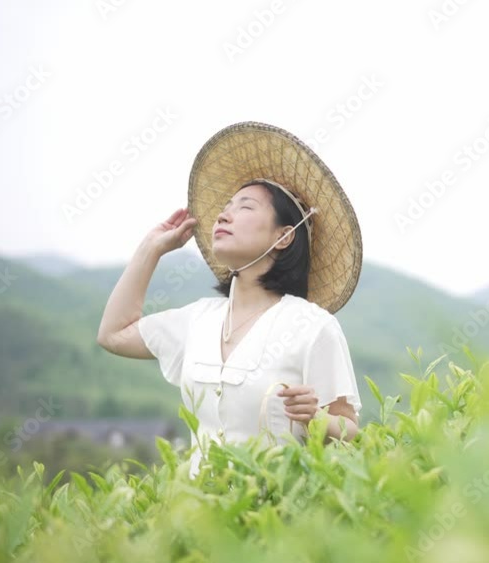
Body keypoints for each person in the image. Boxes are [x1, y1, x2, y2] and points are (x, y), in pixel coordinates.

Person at [96, 122, 364, 478]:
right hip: (197, 516)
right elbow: (113, 334)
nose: (223, 215)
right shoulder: (198, 319)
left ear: (283, 237)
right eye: (226, 206)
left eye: (245, 207)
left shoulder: (313, 327)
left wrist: (315, 418)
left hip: (275, 518)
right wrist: (151, 249)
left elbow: (350, 431)